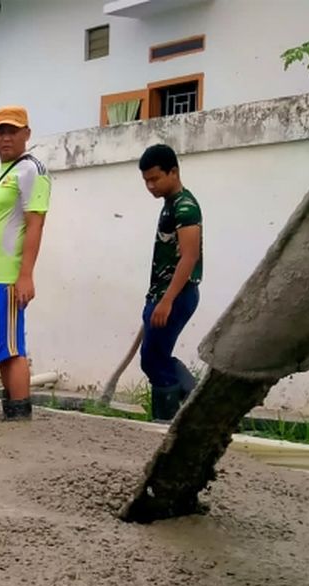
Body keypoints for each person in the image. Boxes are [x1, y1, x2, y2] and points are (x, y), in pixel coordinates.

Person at [0, 106, 51, 420]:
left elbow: (35, 224)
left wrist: (25, 275)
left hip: (7, 276)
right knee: (0, 350)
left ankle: (19, 415)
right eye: (0, 131)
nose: (6, 137)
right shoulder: (3, 172)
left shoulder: (32, 170)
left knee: (12, 348)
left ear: (26, 134)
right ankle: (10, 410)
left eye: (13, 131)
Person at [138, 143, 202, 421]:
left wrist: (166, 301)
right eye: (146, 181)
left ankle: (181, 409)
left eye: (155, 179)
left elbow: (189, 258)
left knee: (153, 359)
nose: (150, 186)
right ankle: (184, 406)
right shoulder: (170, 205)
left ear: (173, 172)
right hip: (161, 294)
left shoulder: (186, 207)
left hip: (177, 295)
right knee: (153, 357)